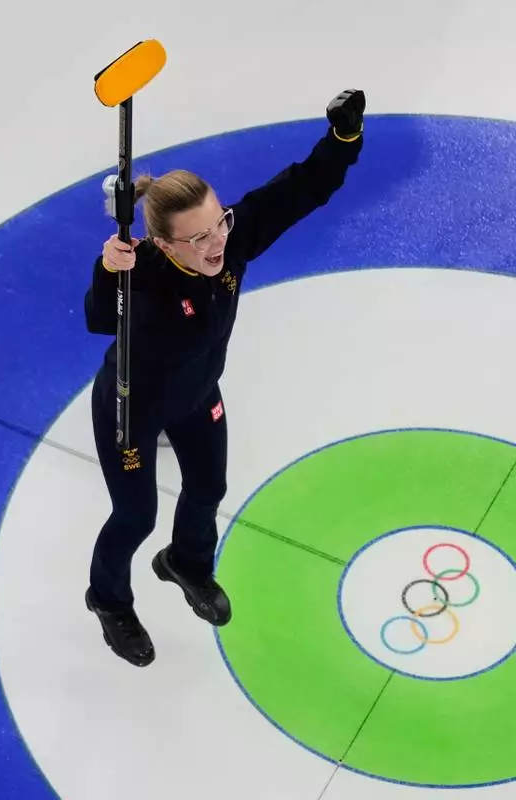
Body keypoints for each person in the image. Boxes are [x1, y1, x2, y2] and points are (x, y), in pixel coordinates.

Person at [82, 89, 366, 667]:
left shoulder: (230, 242)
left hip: (196, 393)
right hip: (133, 407)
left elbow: (304, 187)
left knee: (208, 489)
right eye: (199, 237)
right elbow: (99, 317)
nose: (218, 243)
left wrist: (344, 137)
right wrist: (109, 270)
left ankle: (185, 563)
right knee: (135, 517)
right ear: (163, 243)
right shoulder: (143, 275)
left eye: (220, 224)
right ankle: (108, 600)